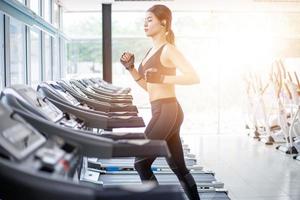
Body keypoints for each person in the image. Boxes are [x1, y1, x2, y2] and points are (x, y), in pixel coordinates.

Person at [120, 4, 200, 200]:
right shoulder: (150, 51)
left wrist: (164, 78)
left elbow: (193, 77)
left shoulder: (168, 50)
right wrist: (131, 69)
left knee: (141, 163)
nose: (145, 24)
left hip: (167, 110)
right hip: (162, 109)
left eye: (149, 20)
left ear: (163, 22)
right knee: (179, 168)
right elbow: (150, 87)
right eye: (144, 20)